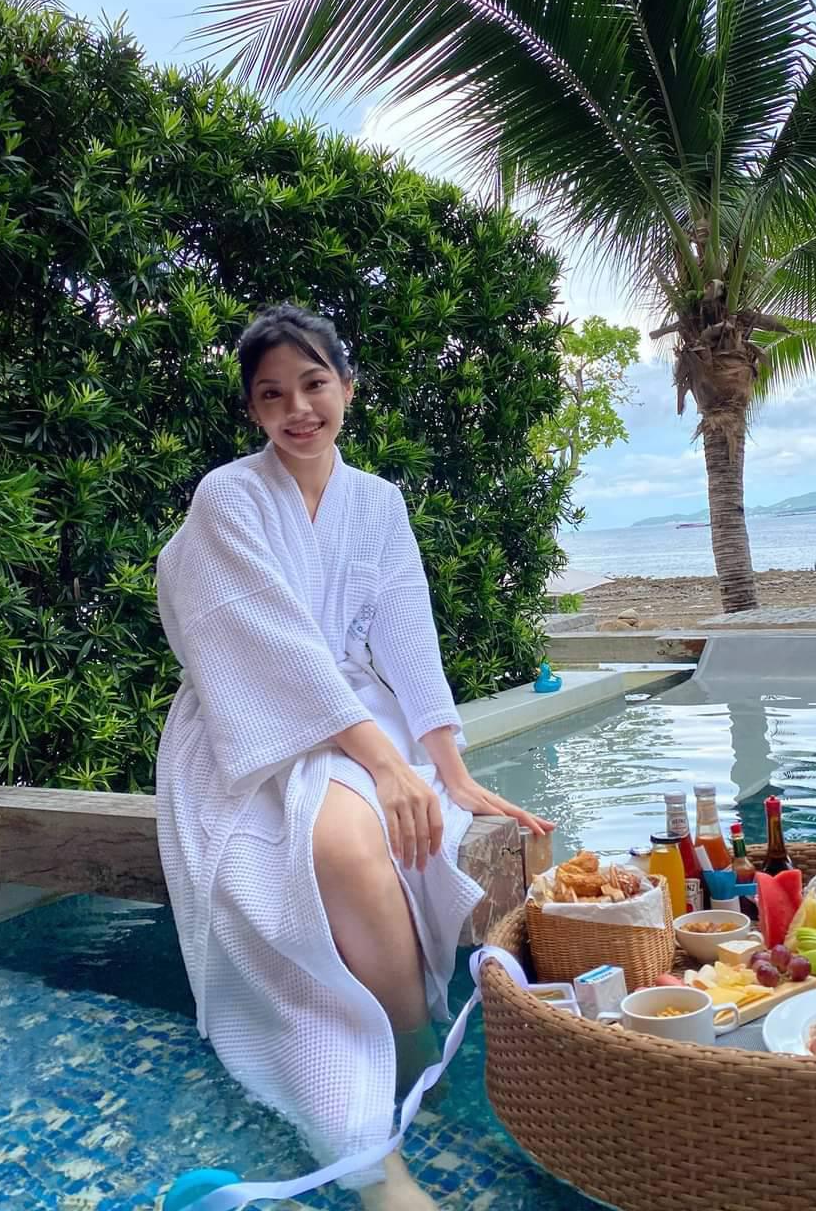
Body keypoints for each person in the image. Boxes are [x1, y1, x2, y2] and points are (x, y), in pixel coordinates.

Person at [155, 303, 553, 1208]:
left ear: (346, 385)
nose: (297, 409)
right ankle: (396, 1060)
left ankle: (408, 1049)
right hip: (253, 721)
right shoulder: (229, 497)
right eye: (271, 395)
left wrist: (448, 769)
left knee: (385, 828)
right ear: (253, 409)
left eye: (314, 384)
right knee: (339, 847)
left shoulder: (378, 502)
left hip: (360, 715)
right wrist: (383, 764)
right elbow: (266, 644)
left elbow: (409, 638)